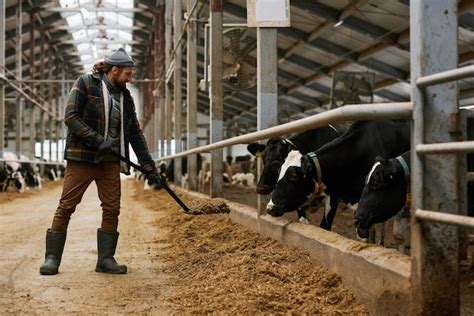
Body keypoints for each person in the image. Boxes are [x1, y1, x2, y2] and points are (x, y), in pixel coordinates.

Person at [39, 48, 160, 275]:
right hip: (82, 157)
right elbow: (70, 117)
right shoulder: (86, 83)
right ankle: (52, 258)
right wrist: (96, 139)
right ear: (114, 70)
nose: (130, 79)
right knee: (66, 206)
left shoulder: (125, 97)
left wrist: (149, 166)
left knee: (112, 208)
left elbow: (134, 133)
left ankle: (105, 259)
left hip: (109, 161)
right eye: (127, 74)